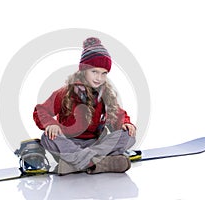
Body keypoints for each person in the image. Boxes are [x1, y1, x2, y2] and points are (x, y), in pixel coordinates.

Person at [33, 37, 136, 175]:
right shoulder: (65, 93)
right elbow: (40, 110)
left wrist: (125, 123)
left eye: (103, 73)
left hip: (95, 143)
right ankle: (100, 163)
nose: (99, 78)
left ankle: (76, 164)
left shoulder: (106, 95)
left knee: (129, 135)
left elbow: (118, 115)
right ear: (83, 70)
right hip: (69, 144)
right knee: (48, 138)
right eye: (94, 72)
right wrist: (51, 124)